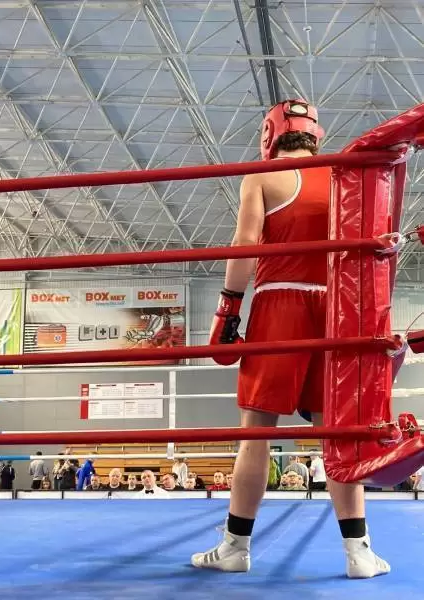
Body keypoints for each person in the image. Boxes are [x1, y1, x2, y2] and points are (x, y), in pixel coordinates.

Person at [191, 99, 389, 579]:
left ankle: (236, 547)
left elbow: (245, 244)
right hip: (337, 311)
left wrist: (229, 307)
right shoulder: (342, 175)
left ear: (270, 134)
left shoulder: (263, 176)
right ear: (316, 135)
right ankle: (359, 552)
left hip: (280, 304)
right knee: (336, 433)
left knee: (256, 431)